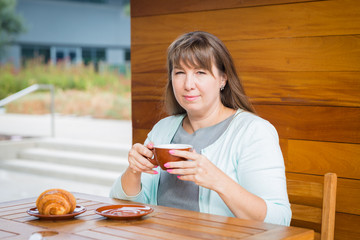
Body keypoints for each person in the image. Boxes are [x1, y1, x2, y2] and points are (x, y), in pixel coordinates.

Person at [110, 31, 291, 226]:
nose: (188, 85)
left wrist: (217, 180)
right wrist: (134, 170)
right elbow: (122, 206)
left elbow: (279, 221)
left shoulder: (254, 132)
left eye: (200, 73)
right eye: (180, 73)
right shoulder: (163, 129)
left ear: (223, 79)